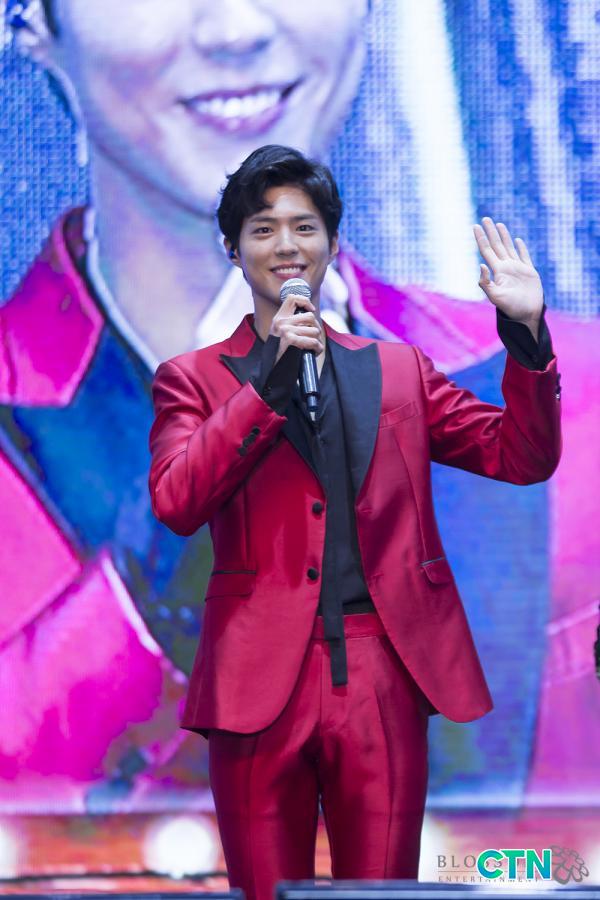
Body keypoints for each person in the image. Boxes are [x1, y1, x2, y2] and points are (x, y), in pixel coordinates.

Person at [148, 145, 561, 898]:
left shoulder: (399, 370)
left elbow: (522, 455)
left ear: (333, 243)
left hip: (380, 669)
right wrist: (267, 385)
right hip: (255, 677)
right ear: (233, 250)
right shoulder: (193, 379)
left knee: (381, 890)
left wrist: (526, 335)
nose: (286, 246)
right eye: (263, 229)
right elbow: (177, 501)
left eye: (304, 227)